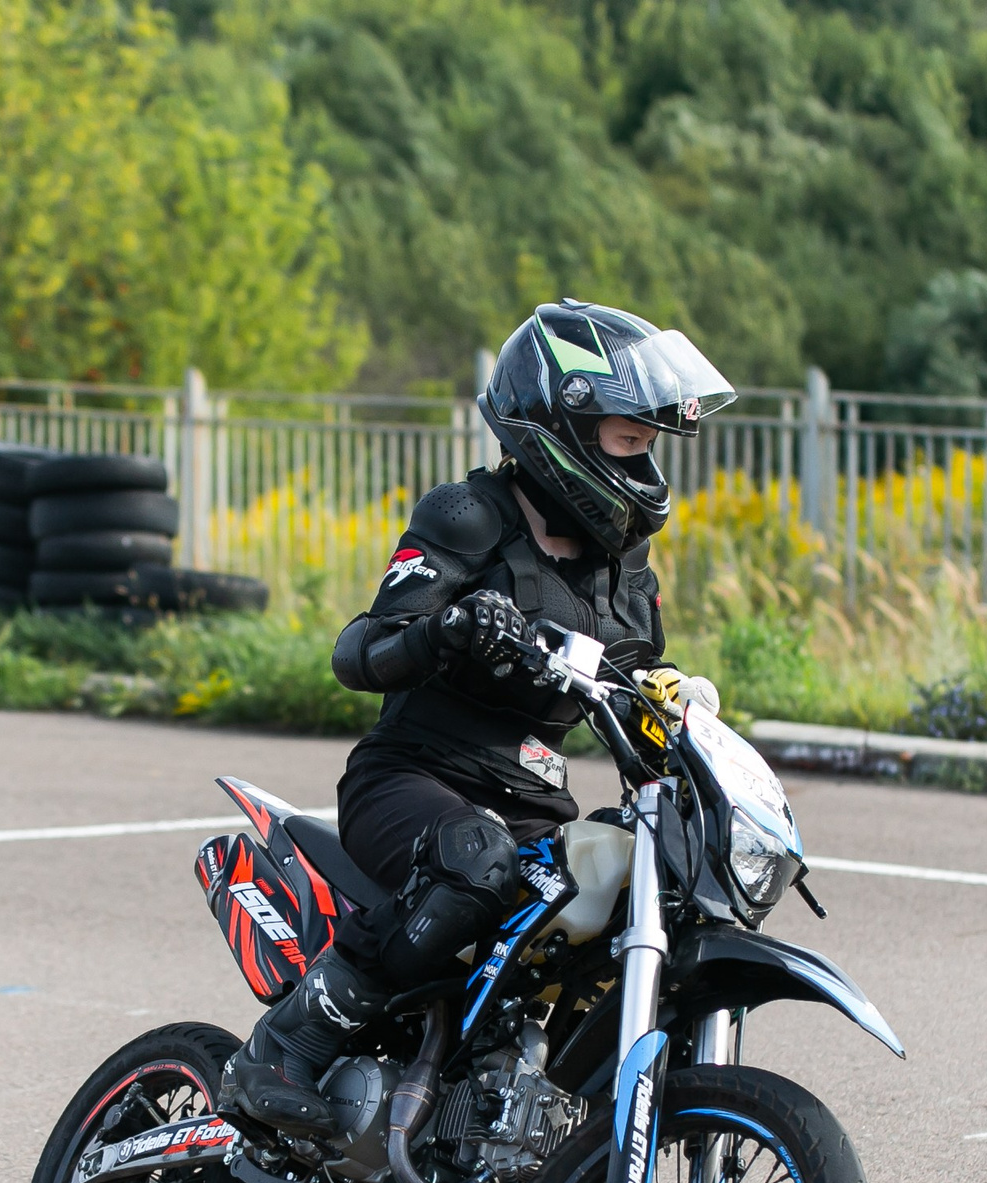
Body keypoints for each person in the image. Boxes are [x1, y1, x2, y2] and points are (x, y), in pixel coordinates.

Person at [222, 299, 738, 1138]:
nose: (643, 463)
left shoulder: (623, 566)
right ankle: (289, 1043)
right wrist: (447, 627)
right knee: (477, 861)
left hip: (531, 799)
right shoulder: (470, 516)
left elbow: (637, 683)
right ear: (557, 425)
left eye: (648, 444)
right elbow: (359, 650)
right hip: (412, 777)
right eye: (627, 439)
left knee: (637, 879)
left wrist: (683, 733)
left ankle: (514, 1105)